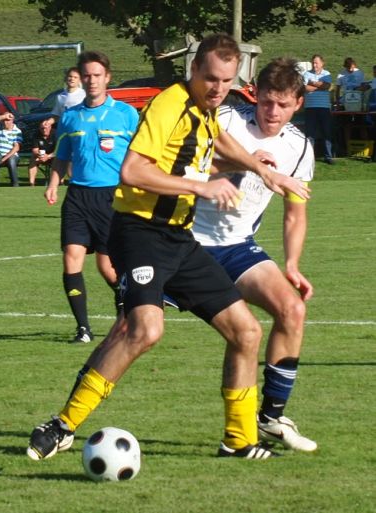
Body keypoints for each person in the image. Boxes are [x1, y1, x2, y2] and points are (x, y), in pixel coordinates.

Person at [27, 34, 310, 462]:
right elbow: (132, 170)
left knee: (247, 332)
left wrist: (261, 170)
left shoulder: (206, 109)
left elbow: (219, 142)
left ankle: (238, 439)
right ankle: (63, 426)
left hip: (179, 237)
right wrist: (202, 185)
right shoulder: (170, 103)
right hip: (139, 231)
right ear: (193, 69)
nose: (218, 88)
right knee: (144, 330)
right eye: (211, 78)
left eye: (227, 81)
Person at [192, 57, 317, 452]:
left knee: (292, 309)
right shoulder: (227, 119)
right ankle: (69, 418)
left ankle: (270, 417)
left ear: (298, 103)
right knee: (136, 330)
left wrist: (292, 264)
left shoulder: (299, 147)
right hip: (184, 242)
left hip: (237, 246)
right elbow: (188, 163)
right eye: (266, 102)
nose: (272, 112)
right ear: (255, 96)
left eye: (282, 104)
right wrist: (246, 165)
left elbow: (295, 213)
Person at [44, 50, 139, 344]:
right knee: (71, 258)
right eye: (87, 75)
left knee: (106, 266)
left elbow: (142, 154)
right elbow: (62, 155)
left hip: (112, 196)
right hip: (78, 196)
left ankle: (129, 305)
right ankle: (83, 329)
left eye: (97, 75)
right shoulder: (70, 117)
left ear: (107, 78)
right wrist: (53, 183)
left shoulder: (126, 114)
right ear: (81, 78)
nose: (92, 80)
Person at [303, 54, 334, 164]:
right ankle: (309, 157)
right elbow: (305, 88)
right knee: (310, 134)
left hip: (324, 107)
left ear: (322, 63)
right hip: (310, 107)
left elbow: (327, 86)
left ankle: (328, 156)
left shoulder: (327, 74)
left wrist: (313, 84)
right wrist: (320, 86)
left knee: (327, 132)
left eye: (316, 62)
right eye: (313, 62)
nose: (314, 65)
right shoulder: (306, 74)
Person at [0, 111, 22, 187]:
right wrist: (4, 116)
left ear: (12, 120)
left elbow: (16, 148)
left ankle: (15, 184)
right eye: (4, 120)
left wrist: (4, 159)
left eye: (8, 120)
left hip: (12, 155)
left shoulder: (17, 131)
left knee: (11, 160)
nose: (6, 122)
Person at [27, 116, 56, 186]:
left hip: (54, 156)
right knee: (33, 159)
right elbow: (35, 150)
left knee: (59, 160)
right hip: (41, 156)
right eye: (42, 128)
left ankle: (60, 182)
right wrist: (39, 154)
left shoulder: (56, 134)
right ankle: (31, 183)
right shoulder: (36, 135)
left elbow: (59, 151)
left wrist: (48, 156)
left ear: (50, 127)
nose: (44, 130)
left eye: (45, 128)